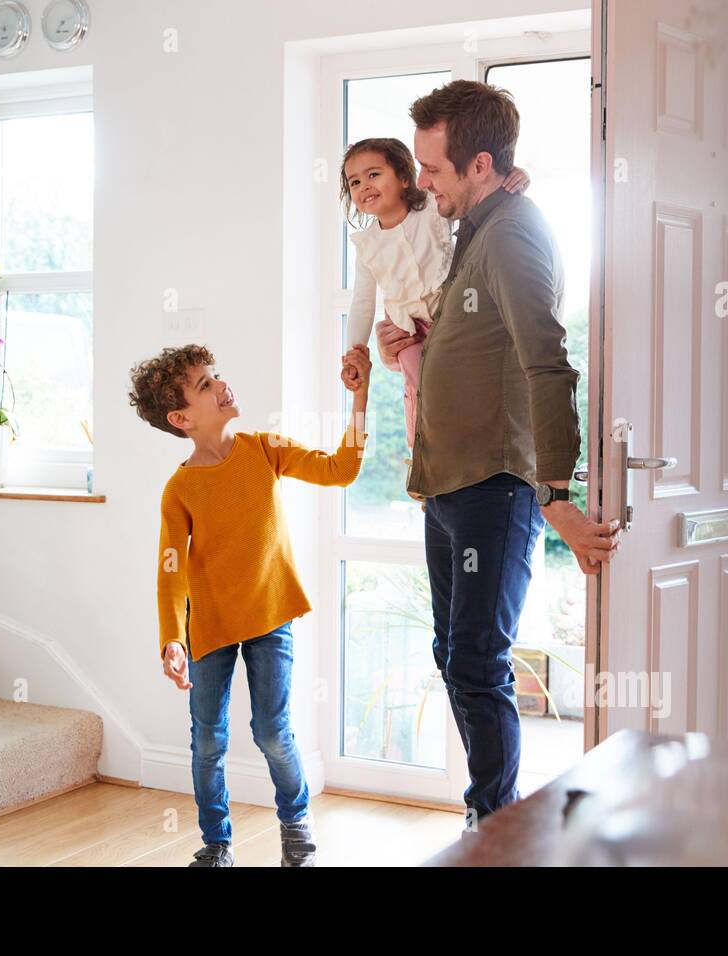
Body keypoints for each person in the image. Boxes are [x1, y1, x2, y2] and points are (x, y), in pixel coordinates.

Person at [373, 79, 622, 824]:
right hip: (448, 488)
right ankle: (490, 816)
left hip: (492, 487)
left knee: (476, 665)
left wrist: (558, 495)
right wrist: (414, 345)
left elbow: (548, 361)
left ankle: (495, 827)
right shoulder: (478, 227)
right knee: (456, 659)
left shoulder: (512, 232)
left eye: (434, 170)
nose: (422, 184)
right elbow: (474, 340)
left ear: (480, 165)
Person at [127, 342, 372, 866]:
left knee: (271, 732)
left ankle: (296, 825)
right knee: (208, 742)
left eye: (216, 375)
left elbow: (339, 470)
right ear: (181, 417)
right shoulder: (180, 490)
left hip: (269, 618)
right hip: (208, 628)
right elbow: (170, 570)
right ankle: (217, 844)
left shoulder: (265, 447)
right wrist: (171, 635)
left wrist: (359, 399)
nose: (221, 384)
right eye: (205, 384)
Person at [339, 137, 530, 454]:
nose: (364, 186)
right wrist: (354, 351)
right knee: (419, 386)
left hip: (455, 319)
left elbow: (477, 202)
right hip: (411, 331)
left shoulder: (431, 208)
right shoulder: (367, 244)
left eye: (374, 175)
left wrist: (513, 178)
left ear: (404, 177)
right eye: (354, 182)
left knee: (464, 382)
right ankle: (422, 455)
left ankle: (476, 440)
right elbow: (361, 303)